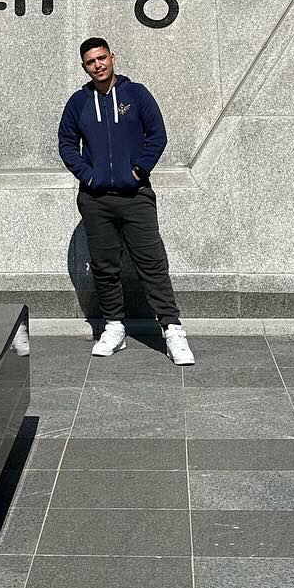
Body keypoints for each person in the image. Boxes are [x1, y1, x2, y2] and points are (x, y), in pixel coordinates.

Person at [57, 37, 194, 366]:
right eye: (91, 62)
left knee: (153, 264)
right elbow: (65, 143)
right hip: (95, 199)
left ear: (112, 58)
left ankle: (173, 330)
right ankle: (114, 328)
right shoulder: (78, 102)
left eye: (102, 58)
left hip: (136, 197)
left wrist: (138, 170)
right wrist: (88, 176)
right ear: (84, 67)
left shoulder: (137, 94)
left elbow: (157, 135)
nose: (98, 65)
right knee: (105, 267)